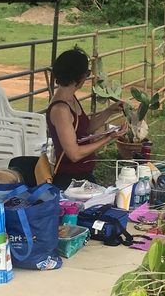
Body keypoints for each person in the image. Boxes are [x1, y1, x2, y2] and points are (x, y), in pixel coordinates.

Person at [42, 46, 126, 190]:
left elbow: (86, 128)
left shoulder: (71, 99)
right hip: (69, 181)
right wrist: (108, 138)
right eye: (87, 73)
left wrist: (109, 111)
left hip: (83, 176)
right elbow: (74, 154)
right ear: (78, 78)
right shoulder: (61, 109)